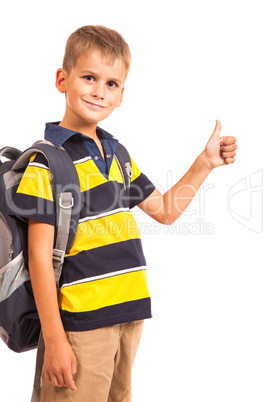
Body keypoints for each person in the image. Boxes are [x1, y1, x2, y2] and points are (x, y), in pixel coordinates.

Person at [14, 25, 237, 401]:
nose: (100, 91)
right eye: (89, 78)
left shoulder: (117, 156)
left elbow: (165, 211)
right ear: (62, 80)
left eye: (112, 83)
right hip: (81, 323)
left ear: (121, 94)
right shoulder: (47, 163)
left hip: (129, 315)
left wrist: (205, 163)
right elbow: (39, 256)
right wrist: (54, 339)